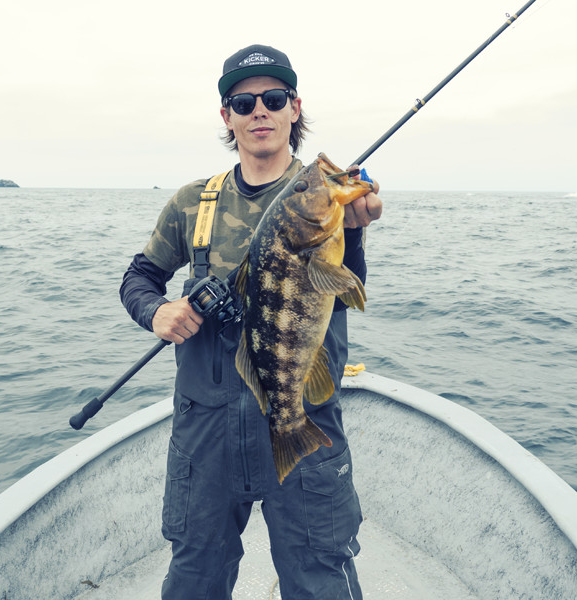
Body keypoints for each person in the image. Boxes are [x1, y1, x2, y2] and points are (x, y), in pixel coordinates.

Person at [120, 44, 383, 600]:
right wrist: (157, 311)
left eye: (273, 97)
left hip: (304, 415)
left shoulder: (330, 204)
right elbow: (138, 278)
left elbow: (345, 294)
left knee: (320, 576)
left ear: (294, 107)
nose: (259, 110)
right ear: (227, 117)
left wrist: (353, 230)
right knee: (195, 578)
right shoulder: (193, 202)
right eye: (243, 102)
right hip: (205, 431)